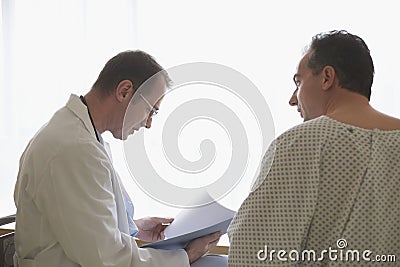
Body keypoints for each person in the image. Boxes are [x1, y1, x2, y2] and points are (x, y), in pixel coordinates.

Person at [13, 50, 222, 267]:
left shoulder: (78, 136)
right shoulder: (74, 149)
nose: (148, 124)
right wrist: (185, 257)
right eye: (151, 111)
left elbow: (83, 225)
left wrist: (135, 228)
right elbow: (105, 258)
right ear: (124, 92)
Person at [227, 30, 400, 266]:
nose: (292, 99)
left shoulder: (300, 143)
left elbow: (253, 251)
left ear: (327, 77)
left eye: (298, 81)